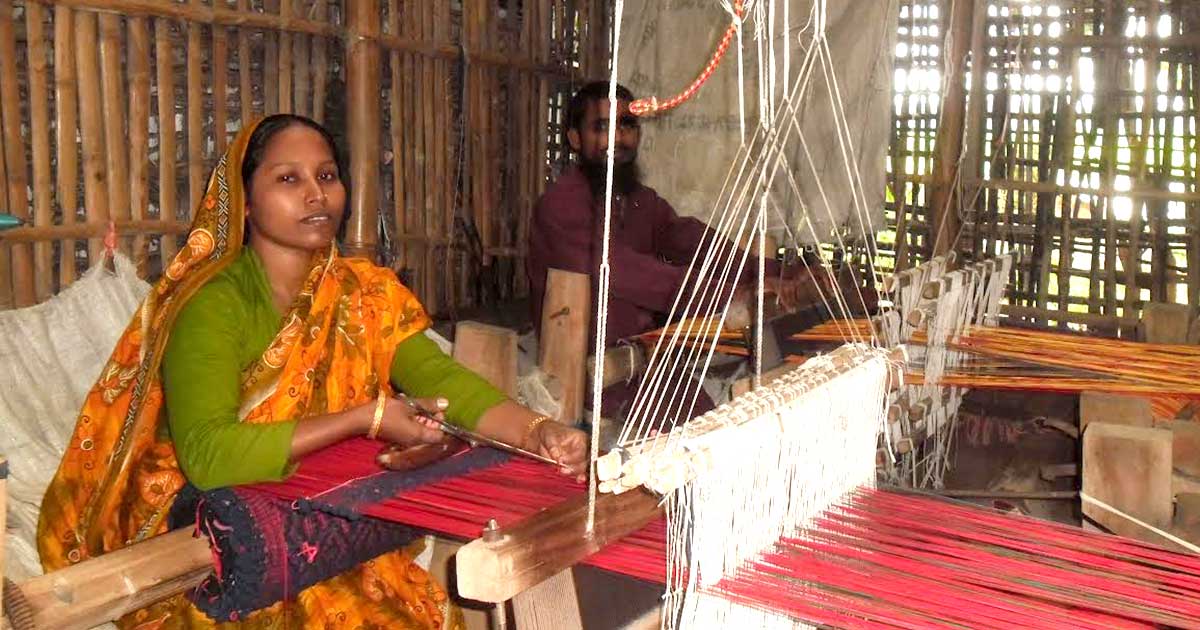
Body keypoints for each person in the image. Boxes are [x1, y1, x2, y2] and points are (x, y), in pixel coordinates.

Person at [38, 114, 588, 629]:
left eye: (327, 175)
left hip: (320, 510)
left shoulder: (362, 293)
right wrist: (362, 420)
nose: (315, 193)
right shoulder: (213, 304)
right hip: (209, 534)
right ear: (246, 202)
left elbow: (443, 381)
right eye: (287, 178)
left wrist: (539, 433)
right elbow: (208, 457)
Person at [526, 81, 823, 418]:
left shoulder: (640, 201)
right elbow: (621, 271)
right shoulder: (561, 207)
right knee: (698, 434)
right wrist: (728, 297)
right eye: (602, 127)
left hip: (645, 362)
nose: (618, 138)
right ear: (575, 139)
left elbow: (691, 241)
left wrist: (777, 276)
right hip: (586, 373)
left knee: (716, 424)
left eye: (626, 125)